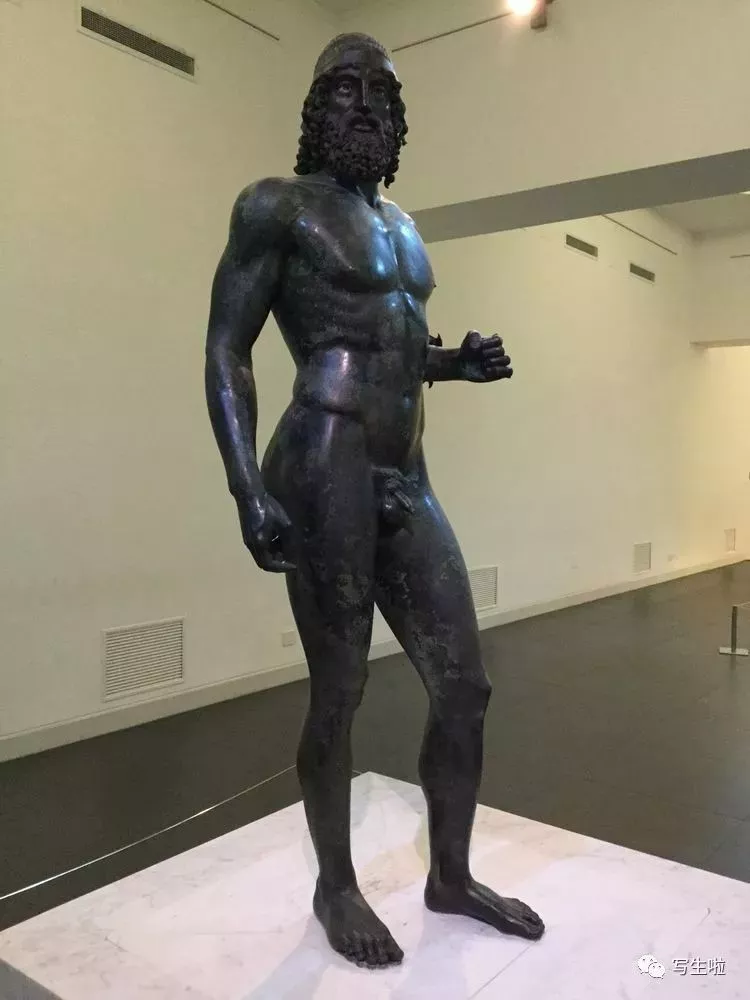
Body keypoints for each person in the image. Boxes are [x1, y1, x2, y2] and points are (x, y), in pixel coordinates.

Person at [205, 32, 544, 970]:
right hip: (323, 461)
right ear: (316, 108)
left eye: (382, 93)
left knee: (464, 686)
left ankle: (451, 876)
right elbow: (228, 347)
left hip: (406, 470)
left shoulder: (403, 225)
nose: (365, 105)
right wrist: (245, 487)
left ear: (398, 118)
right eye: (345, 89)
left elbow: (393, 350)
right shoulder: (276, 206)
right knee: (342, 686)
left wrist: (454, 364)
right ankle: (335, 885)